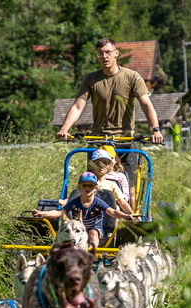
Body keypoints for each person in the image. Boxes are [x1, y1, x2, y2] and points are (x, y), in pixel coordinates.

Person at [56, 38, 164, 203]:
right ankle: (92, 220)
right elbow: (78, 106)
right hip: (98, 139)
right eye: (100, 53)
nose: (104, 56)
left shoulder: (132, 77)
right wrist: (64, 129)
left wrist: (156, 129)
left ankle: (130, 220)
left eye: (108, 52)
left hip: (125, 140)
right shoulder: (91, 79)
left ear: (116, 53)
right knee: (92, 183)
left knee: (129, 185)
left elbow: (146, 104)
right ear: (97, 56)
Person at [32, 172, 135, 249]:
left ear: (95, 188)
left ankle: (92, 255)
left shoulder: (97, 202)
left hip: (95, 228)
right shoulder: (74, 202)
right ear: (79, 188)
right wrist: (42, 213)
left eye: (90, 185)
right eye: (84, 185)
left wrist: (126, 215)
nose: (87, 187)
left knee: (93, 234)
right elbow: (59, 213)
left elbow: (112, 212)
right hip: (77, 229)